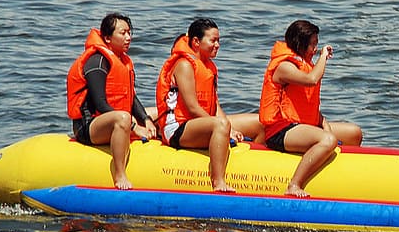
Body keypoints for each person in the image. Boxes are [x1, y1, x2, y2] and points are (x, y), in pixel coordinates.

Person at [155, 17, 264, 193]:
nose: (217, 45)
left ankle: (254, 165)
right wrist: (225, 128)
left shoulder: (208, 67)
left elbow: (215, 104)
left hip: (203, 123)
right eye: (213, 40)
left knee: (259, 122)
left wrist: (228, 127)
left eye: (218, 40)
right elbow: (192, 108)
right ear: (196, 42)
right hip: (178, 128)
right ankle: (218, 181)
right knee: (221, 125)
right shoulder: (184, 65)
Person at [259, 19, 363, 198]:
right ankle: (294, 184)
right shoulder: (284, 67)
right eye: (313, 44)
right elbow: (311, 80)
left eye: (317, 44)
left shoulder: (305, 65)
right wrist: (323, 57)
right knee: (328, 140)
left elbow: (306, 103)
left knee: (354, 133)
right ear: (300, 44)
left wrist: (324, 123)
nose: (315, 49)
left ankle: (344, 180)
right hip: (281, 130)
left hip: (302, 126)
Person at [67, 12, 157, 190]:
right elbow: (100, 104)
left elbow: (131, 97)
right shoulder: (97, 61)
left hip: (116, 118)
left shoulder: (123, 61)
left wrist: (145, 119)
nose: (128, 37)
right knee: (123, 118)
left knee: (157, 111)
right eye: (123, 33)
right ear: (107, 38)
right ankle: (120, 175)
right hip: (89, 126)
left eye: (129, 33)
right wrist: (134, 126)